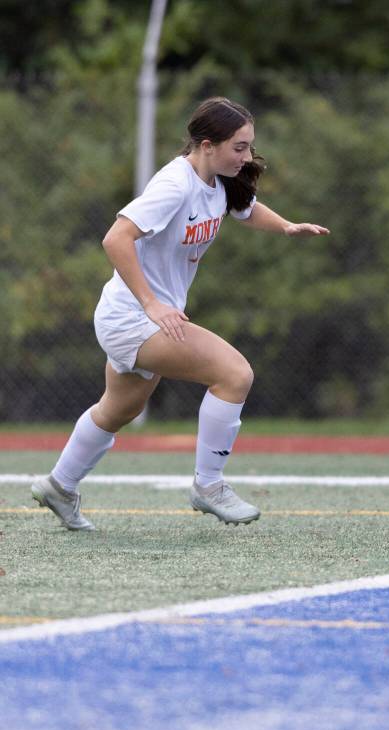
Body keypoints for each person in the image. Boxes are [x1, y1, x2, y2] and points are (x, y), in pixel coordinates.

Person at [31, 97, 329, 531]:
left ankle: (59, 485)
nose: (247, 157)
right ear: (207, 145)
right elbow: (116, 239)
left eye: (249, 147)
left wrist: (285, 225)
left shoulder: (221, 179)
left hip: (138, 318)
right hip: (132, 317)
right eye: (239, 147)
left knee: (119, 409)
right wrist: (153, 305)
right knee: (235, 375)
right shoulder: (175, 183)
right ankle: (209, 486)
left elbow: (245, 209)